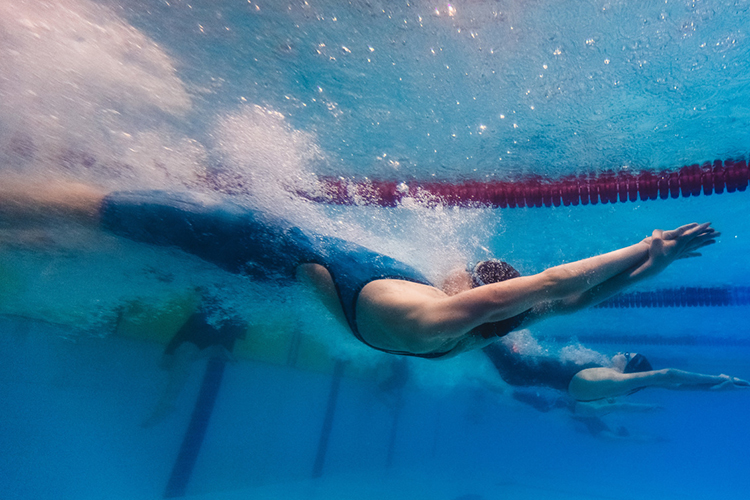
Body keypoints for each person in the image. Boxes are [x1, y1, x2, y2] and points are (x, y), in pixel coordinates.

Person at [0, 177, 720, 359]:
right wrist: (654, 264)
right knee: (119, 235)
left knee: (106, 208)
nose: (494, 271)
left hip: (259, 244)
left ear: (488, 308)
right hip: (297, 263)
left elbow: (562, 281)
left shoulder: (441, 318)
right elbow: (574, 303)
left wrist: (641, 241)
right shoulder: (468, 323)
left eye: (492, 282)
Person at [483, 337, 749, 405]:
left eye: (626, 355)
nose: (621, 353)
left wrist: (717, 378)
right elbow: (671, 385)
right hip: (518, 366)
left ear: (629, 367)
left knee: (473, 321)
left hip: (514, 366)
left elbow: (667, 376)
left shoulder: (611, 380)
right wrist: (719, 387)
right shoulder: (607, 380)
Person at [141, 293, 247, 427]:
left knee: (184, 353)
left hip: (207, 334)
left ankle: (166, 404)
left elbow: (233, 327)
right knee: (183, 354)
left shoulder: (229, 308)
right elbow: (193, 325)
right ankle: (166, 404)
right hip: (206, 334)